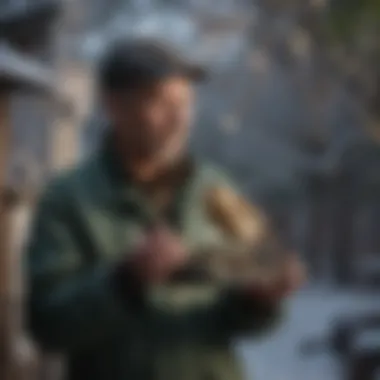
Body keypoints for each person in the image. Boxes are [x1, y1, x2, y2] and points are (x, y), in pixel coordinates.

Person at [26, 38, 305, 380]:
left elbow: (233, 323)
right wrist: (125, 282)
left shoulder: (215, 189)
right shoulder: (69, 199)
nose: (180, 119)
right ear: (114, 107)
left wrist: (261, 300)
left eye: (186, 103)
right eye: (160, 102)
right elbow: (46, 325)